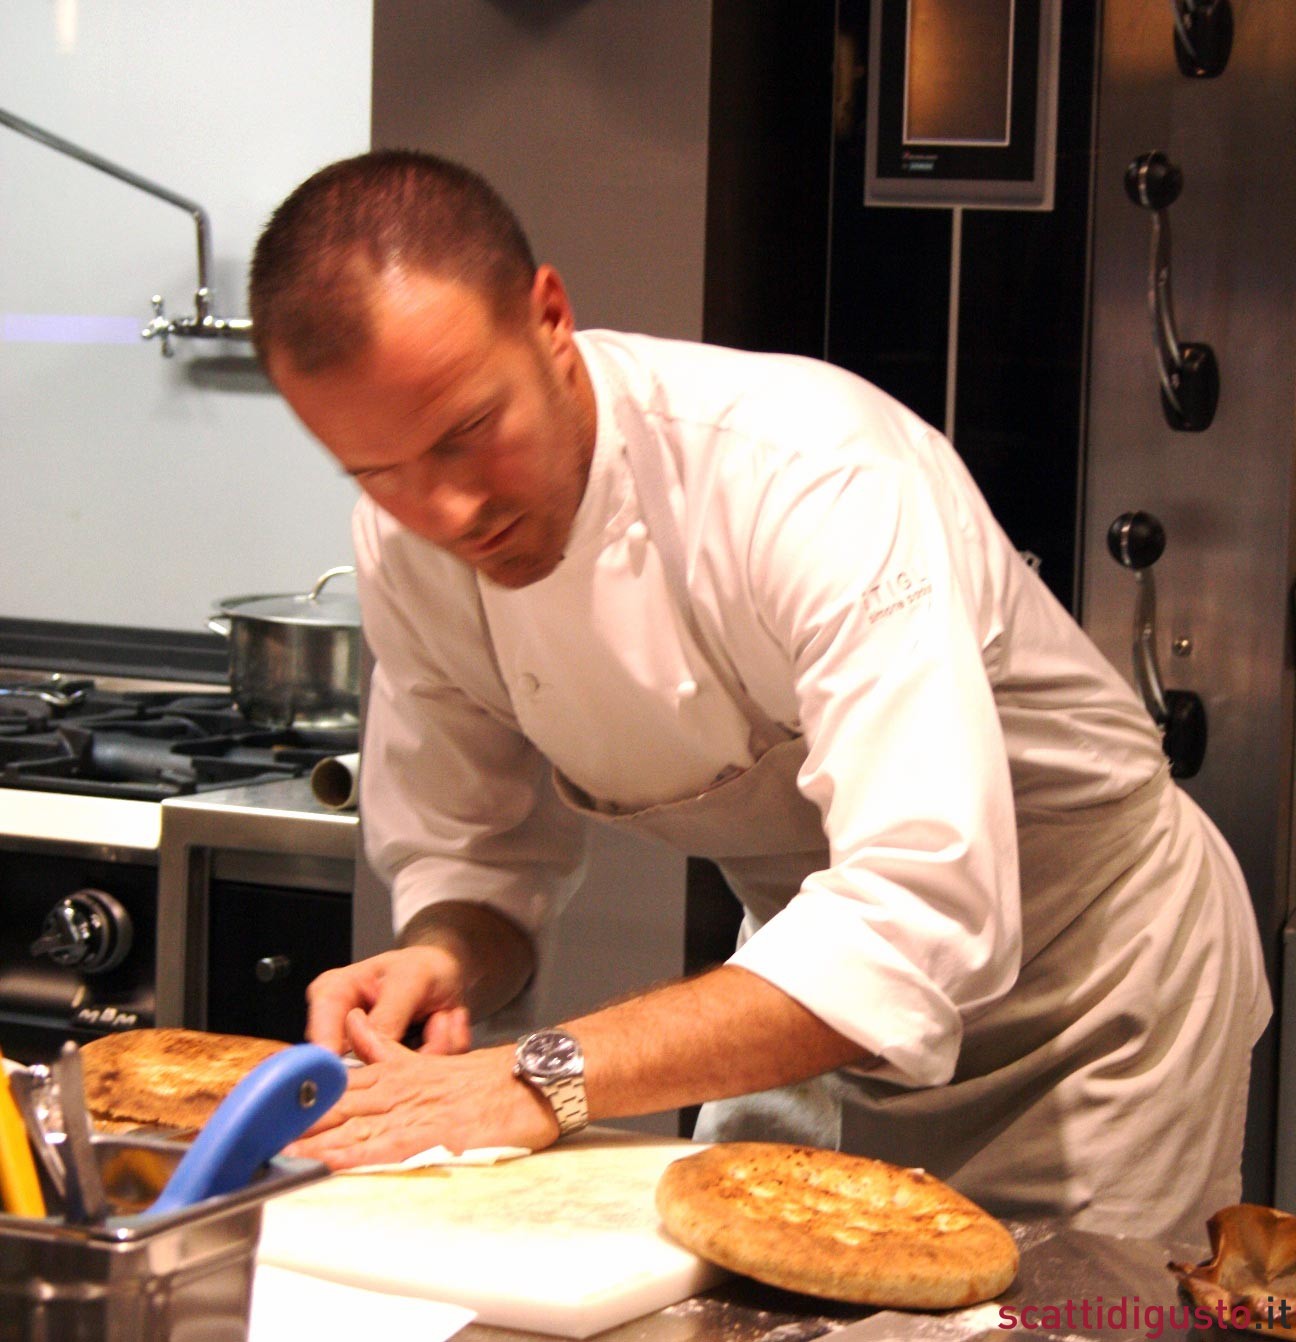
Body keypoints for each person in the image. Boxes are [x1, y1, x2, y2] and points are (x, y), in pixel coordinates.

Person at [248, 148, 1270, 1242]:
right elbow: (480, 862)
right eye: (378, 472)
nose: (446, 509)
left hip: (1091, 1009)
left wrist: (539, 1076)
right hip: (797, 989)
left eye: (467, 431)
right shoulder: (412, 549)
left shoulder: (810, 475)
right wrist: (442, 954)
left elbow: (918, 909)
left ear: (549, 315)